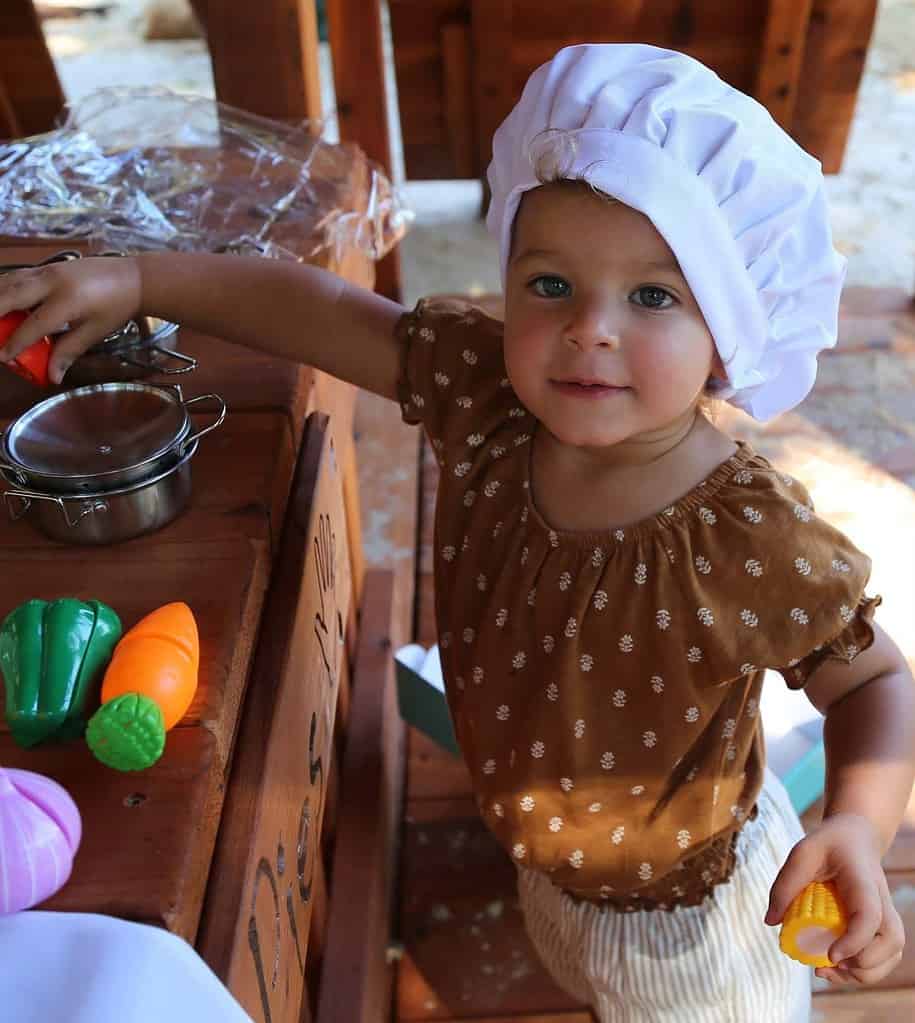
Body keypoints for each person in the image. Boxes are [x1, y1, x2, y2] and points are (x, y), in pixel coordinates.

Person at [1, 42, 912, 1023]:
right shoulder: (484, 395)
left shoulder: (745, 535)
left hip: (690, 919)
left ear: (731, 335)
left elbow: (876, 679)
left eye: (654, 295)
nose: (588, 329)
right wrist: (143, 281)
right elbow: (316, 308)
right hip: (548, 858)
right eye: (550, 282)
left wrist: (859, 825)